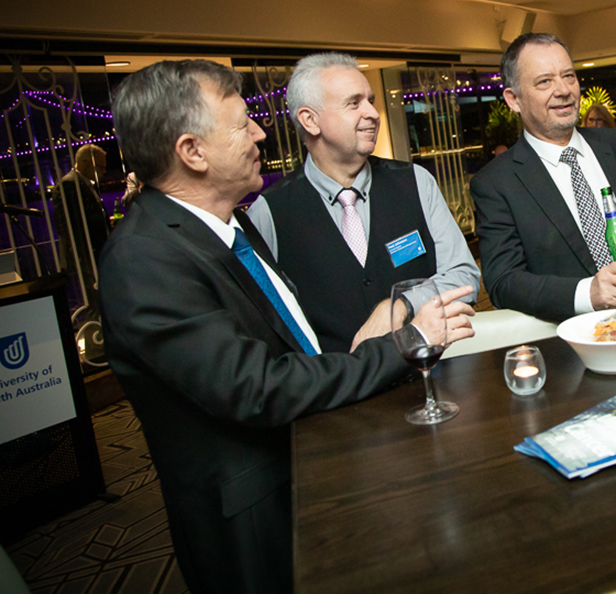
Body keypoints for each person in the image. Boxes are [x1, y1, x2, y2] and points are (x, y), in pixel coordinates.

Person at [98, 59, 474, 594]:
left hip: (314, 470)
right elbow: (256, 387)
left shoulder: (228, 228)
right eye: (242, 124)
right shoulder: (145, 259)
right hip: (254, 521)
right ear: (192, 151)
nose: (260, 133)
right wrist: (406, 342)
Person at [248, 52, 479, 355]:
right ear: (310, 120)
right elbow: (263, 322)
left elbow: (464, 275)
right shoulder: (268, 212)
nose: (373, 113)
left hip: (430, 371)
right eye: (354, 103)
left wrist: (401, 305)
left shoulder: (416, 182)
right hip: (336, 381)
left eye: (370, 100)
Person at [470, 32, 616, 323]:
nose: (563, 90)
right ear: (513, 100)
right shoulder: (496, 183)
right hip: (578, 336)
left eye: (568, 76)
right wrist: (586, 293)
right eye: (544, 81)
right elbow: (504, 282)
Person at [52, 143, 111, 321]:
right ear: (86, 163)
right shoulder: (69, 184)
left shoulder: (81, 183)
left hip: (91, 254)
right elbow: (65, 225)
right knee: (92, 303)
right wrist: (85, 252)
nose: (104, 172)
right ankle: (95, 335)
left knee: (98, 300)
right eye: (101, 167)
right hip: (85, 257)